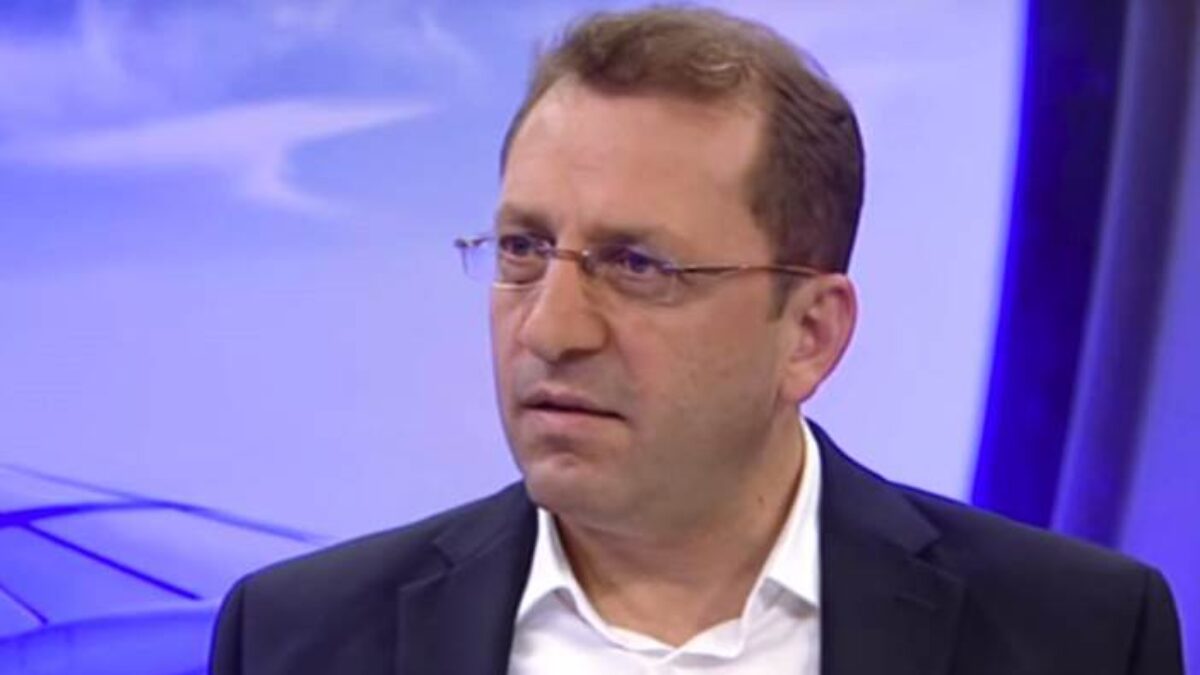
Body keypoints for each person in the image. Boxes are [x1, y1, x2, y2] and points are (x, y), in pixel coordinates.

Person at [210, 6, 1184, 674]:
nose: (550, 328)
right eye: (523, 249)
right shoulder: (297, 638)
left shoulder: (1079, 635)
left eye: (638, 264)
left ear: (810, 335)